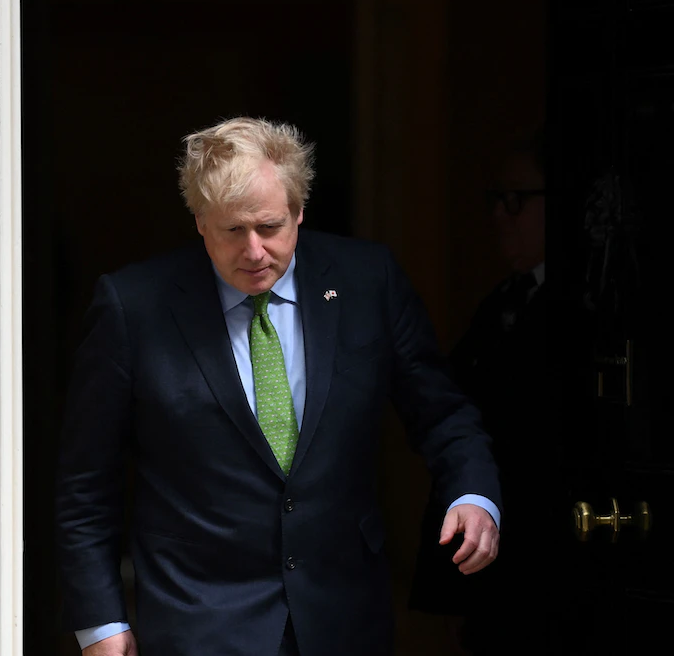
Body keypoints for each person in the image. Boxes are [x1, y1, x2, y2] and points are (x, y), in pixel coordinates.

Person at [53, 116, 502, 656]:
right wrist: (100, 623)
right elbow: (87, 481)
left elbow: (441, 411)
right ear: (199, 221)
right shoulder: (134, 308)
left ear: (298, 211)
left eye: (269, 227)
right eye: (232, 230)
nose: (254, 251)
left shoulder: (367, 281)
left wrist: (473, 493)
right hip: (200, 619)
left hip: (343, 612)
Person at [409, 127, 551, 654]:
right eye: (496, 199)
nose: (500, 215)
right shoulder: (502, 302)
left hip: (547, 562)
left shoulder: (587, 305)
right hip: (490, 560)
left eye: (516, 200)